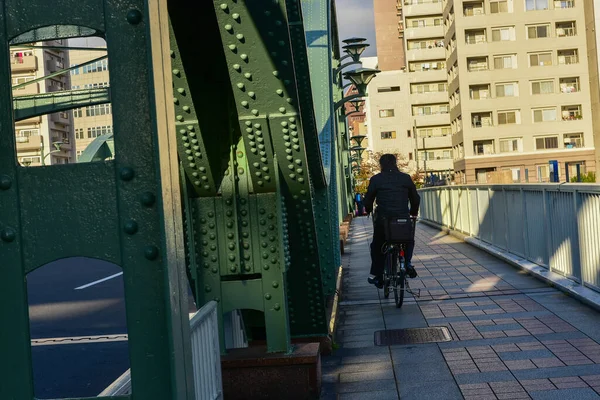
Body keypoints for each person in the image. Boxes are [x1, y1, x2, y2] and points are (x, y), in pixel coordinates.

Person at [363, 154, 420, 288]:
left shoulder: (376, 179)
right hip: (402, 220)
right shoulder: (405, 178)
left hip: (384, 221)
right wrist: (413, 212)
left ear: (381, 165)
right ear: (396, 163)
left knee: (377, 245)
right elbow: (416, 199)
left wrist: (368, 209)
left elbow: (369, 199)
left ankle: (378, 276)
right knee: (408, 239)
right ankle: (407, 263)